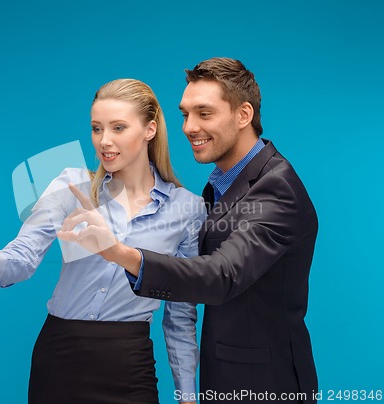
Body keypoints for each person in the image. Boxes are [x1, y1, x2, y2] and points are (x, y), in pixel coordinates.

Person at [58, 58, 318, 403]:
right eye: (185, 114)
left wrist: (119, 252)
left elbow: (222, 274)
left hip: (264, 384)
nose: (188, 127)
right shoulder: (222, 185)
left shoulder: (275, 188)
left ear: (243, 115)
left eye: (204, 114)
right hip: (226, 375)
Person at [0, 78, 206, 404]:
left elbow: (181, 315)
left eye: (118, 128)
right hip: (60, 357)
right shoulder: (71, 185)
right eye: (97, 129)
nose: (104, 141)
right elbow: (23, 257)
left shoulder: (186, 208)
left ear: (149, 130)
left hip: (128, 362)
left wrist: (188, 396)